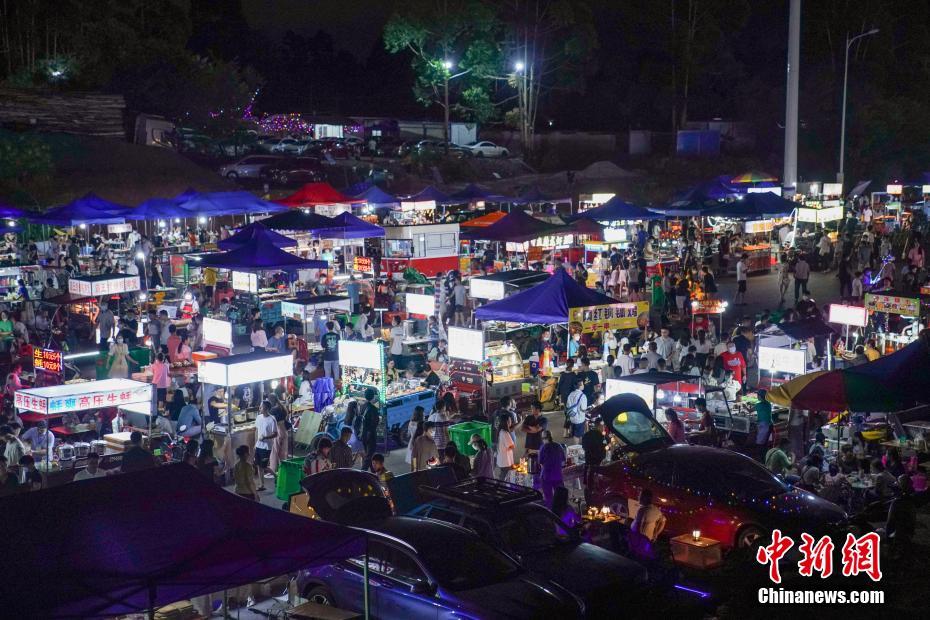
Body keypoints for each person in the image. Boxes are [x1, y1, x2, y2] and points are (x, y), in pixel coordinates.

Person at [538, 431, 566, 505]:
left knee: (548, 498)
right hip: (558, 475)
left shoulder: (543, 447)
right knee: (560, 498)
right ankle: (560, 511)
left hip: (546, 476)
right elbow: (563, 462)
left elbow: (541, 462)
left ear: (544, 439)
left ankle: (550, 510)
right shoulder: (558, 446)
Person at [253, 400, 277, 486]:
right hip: (258, 445)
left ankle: (276, 476)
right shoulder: (258, 417)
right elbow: (256, 431)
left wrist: (265, 437)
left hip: (267, 447)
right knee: (258, 465)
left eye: (261, 407)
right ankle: (262, 485)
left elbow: (275, 434)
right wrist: (255, 443)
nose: (259, 408)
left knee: (263, 466)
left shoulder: (272, 419)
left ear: (266, 409)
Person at [581, 420, 606, 492]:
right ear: (599, 426)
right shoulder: (602, 436)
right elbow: (605, 448)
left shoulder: (587, 435)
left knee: (588, 484)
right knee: (597, 485)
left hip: (588, 461)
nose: (604, 428)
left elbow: (583, 447)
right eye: (603, 426)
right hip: (599, 463)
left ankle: (588, 493)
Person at [360, 387, 381, 470]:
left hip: (363, 433)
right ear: (373, 397)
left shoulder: (362, 406)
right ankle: (362, 473)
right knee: (369, 455)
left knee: (368, 453)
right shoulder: (373, 408)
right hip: (370, 435)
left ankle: (373, 471)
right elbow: (374, 423)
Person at [564, 377, 589, 445]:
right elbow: (583, 409)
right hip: (580, 419)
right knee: (577, 435)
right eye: (582, 384)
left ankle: (578, 446)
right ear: (580, 386)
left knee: (575, 433)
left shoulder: (571, 394)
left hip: (572, 417)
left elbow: (568, 406)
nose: (583, 385)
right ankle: (577, 447)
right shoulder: (582, 396)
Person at [496, 414, 517, 480]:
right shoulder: (505, 433)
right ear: (507, 422)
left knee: (502, 476)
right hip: (505, 461)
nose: (511, 421)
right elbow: (511, 446)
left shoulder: (501, 431)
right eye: (510, 420)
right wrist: (513, 445)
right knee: (504, 478)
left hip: (502, 460)